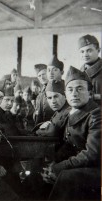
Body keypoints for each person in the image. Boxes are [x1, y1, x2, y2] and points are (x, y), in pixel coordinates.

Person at [41, 66, 101, 200]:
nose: (74, 94)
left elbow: (92, 154)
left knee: (66, 176)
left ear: (90, 93)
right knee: (41, 176)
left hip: (96, 169)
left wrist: (60, 167)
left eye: (80, 89)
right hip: (82, 166)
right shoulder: (70, 113)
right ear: (66, 94)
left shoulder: (96, 114)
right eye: (70, 89)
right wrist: (53, 164)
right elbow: (68, 145)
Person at [79, 34, 101, 102]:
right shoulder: (80, 70)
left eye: (89, 51)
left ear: (98, 50)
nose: (85, 55)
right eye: (82, 52)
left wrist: (95, 96)